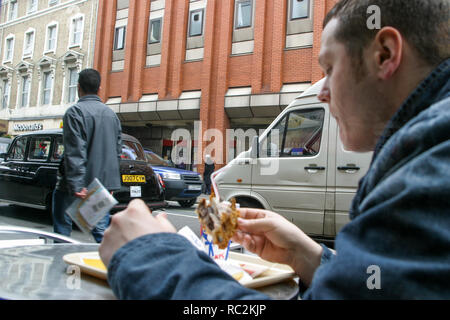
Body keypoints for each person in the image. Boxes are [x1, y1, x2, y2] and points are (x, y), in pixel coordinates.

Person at [99, 0, 450, 299]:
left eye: (329, 68)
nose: (323, 92)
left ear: (384, 54)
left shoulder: (432, 168)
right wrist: (310, 256)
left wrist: (152, 257)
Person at [53, 68, 122, 243]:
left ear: (78, 87)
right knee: (101, 232)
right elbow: (117, 151)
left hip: (77, 185)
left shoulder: (75, 112)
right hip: (101, 184)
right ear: (99, 88)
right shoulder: (111, 115)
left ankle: (62, 267)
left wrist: (77, 185)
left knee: (62, 229)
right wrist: (110, 183)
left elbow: (75, 151)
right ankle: (107, 267)